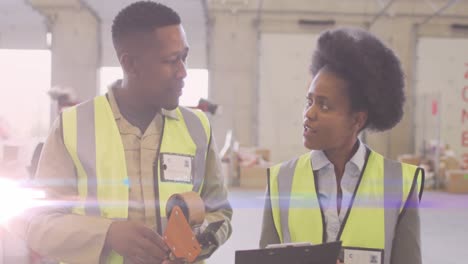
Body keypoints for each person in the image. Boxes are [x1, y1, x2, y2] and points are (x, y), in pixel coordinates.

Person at [9, 1, 232, 264]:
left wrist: (196, 244)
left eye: (184, 57)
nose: (183, 72)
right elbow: (37, 223)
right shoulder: (72, 127)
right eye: (171, 61)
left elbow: (219, 213)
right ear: (130, 64)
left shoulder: (197, 128)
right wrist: (107, 234)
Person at [260, 27, 424, 264]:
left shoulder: (399, 185)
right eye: (310, 101)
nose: (309, 114)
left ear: (357, 119)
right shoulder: (280, 181)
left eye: (324, 106)